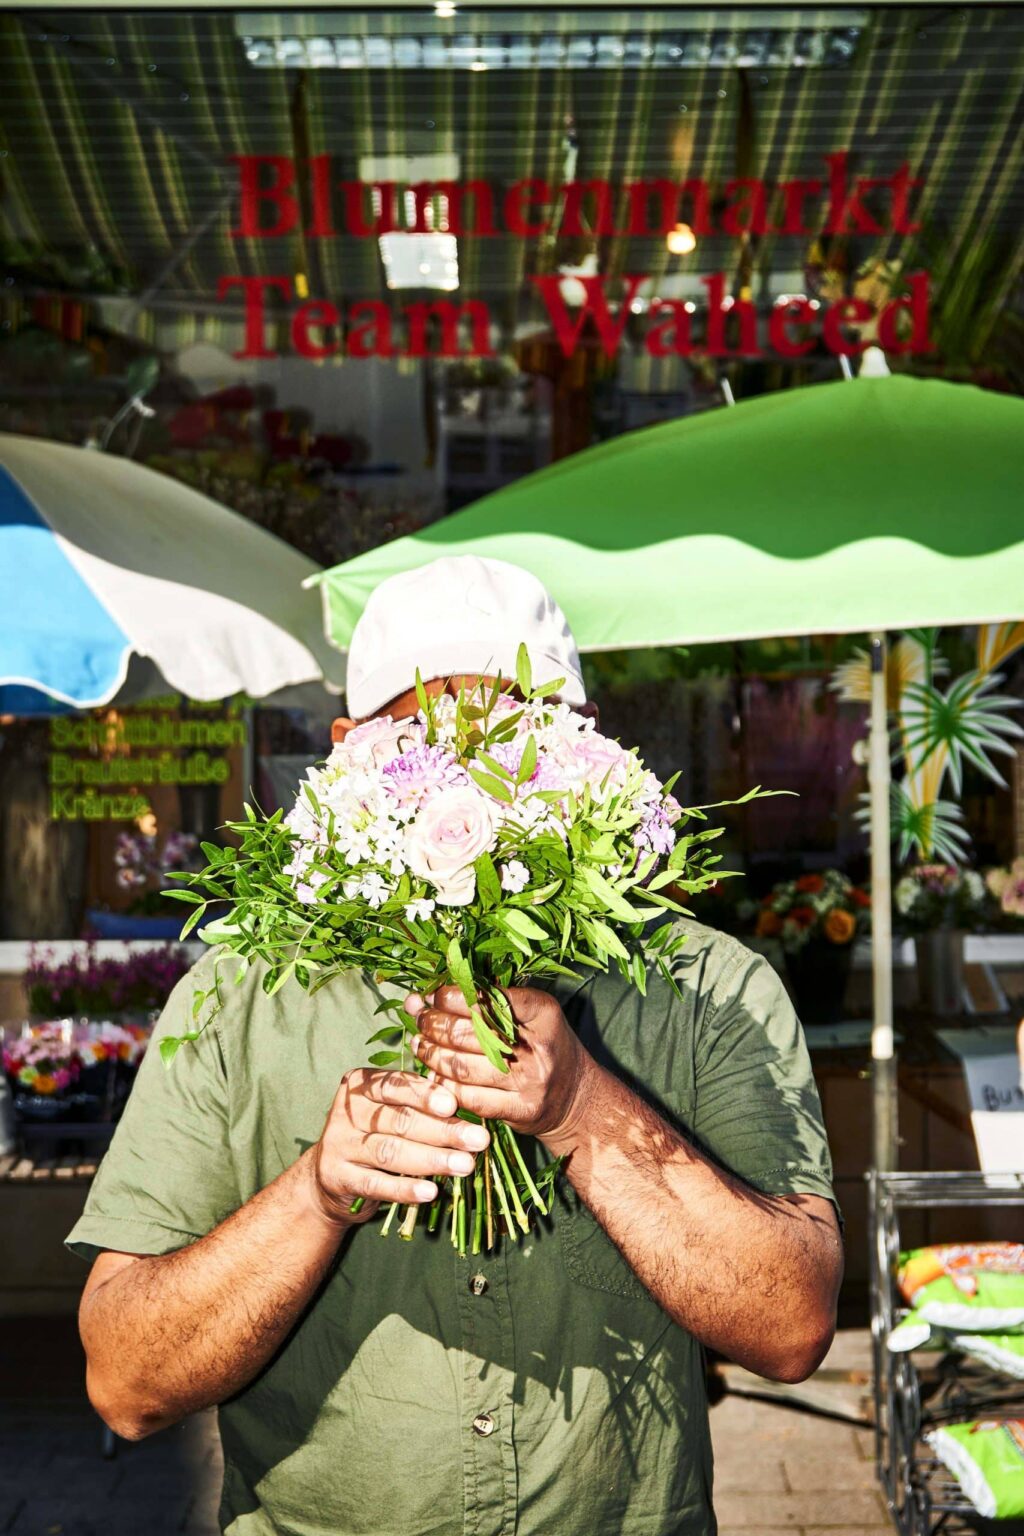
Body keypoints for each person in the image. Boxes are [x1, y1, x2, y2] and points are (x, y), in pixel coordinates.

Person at [69, 555, 844, 1536]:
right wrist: (316, 1192)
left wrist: (584, 1113)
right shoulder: (237, 998)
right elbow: (127, 1383)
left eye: (516, 732)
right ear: (350, 752)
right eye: (427, 730)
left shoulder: (707, 986)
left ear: (585, 749)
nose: (474, 769)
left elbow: (790, 1330)